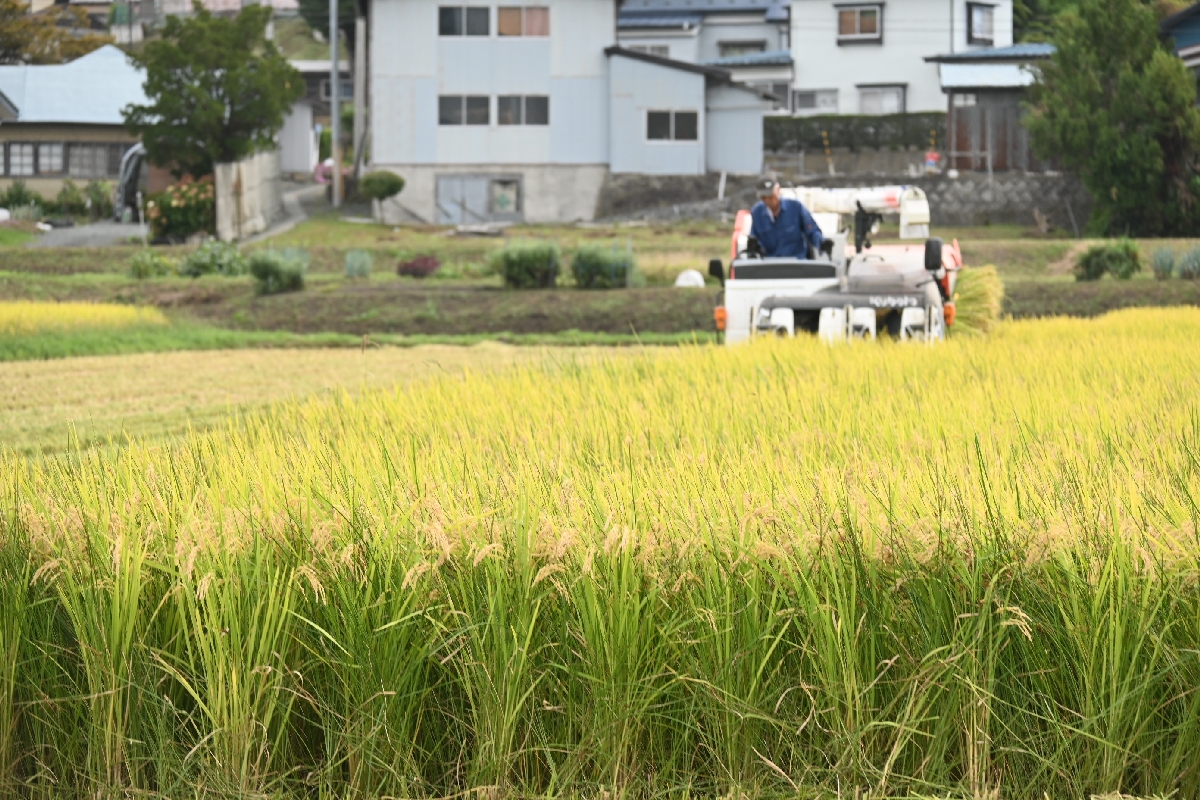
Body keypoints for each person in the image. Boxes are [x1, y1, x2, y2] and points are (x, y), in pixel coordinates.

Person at [749, 177, 824, 258]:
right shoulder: (757, 213)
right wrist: (754, 250)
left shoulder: (796, 207)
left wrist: (822, 243)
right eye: (764, 197)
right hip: (770, 266)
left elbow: (812, 231)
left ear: (778, 189)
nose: (768, 200)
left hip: (797, 265)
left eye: (771, 196)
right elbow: (754, 240)